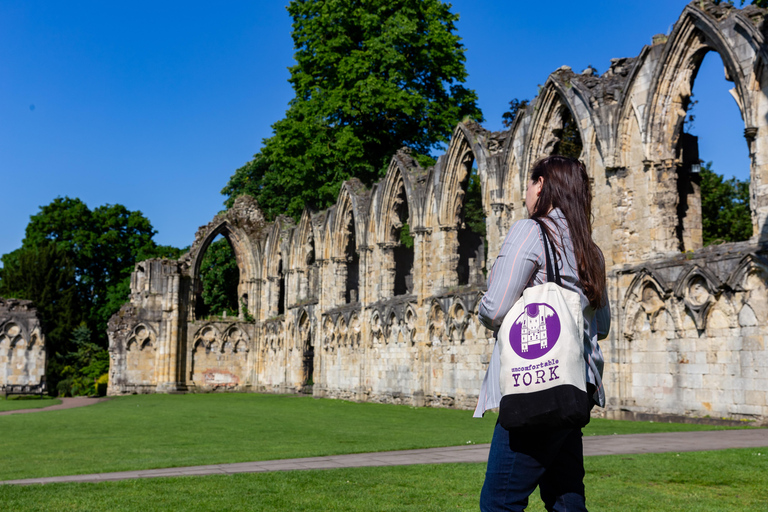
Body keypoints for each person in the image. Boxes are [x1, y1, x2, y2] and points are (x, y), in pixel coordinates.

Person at [474, 155, 611, 511]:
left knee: (499, 501)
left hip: (535, 384)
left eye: (530, 183)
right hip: (575, 387)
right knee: (565, 497)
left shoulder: (531, 231)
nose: (526, 193)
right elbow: (603, 326)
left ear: (542, 185)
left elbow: (496, 307)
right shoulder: (591, 250)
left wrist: (483, 307)